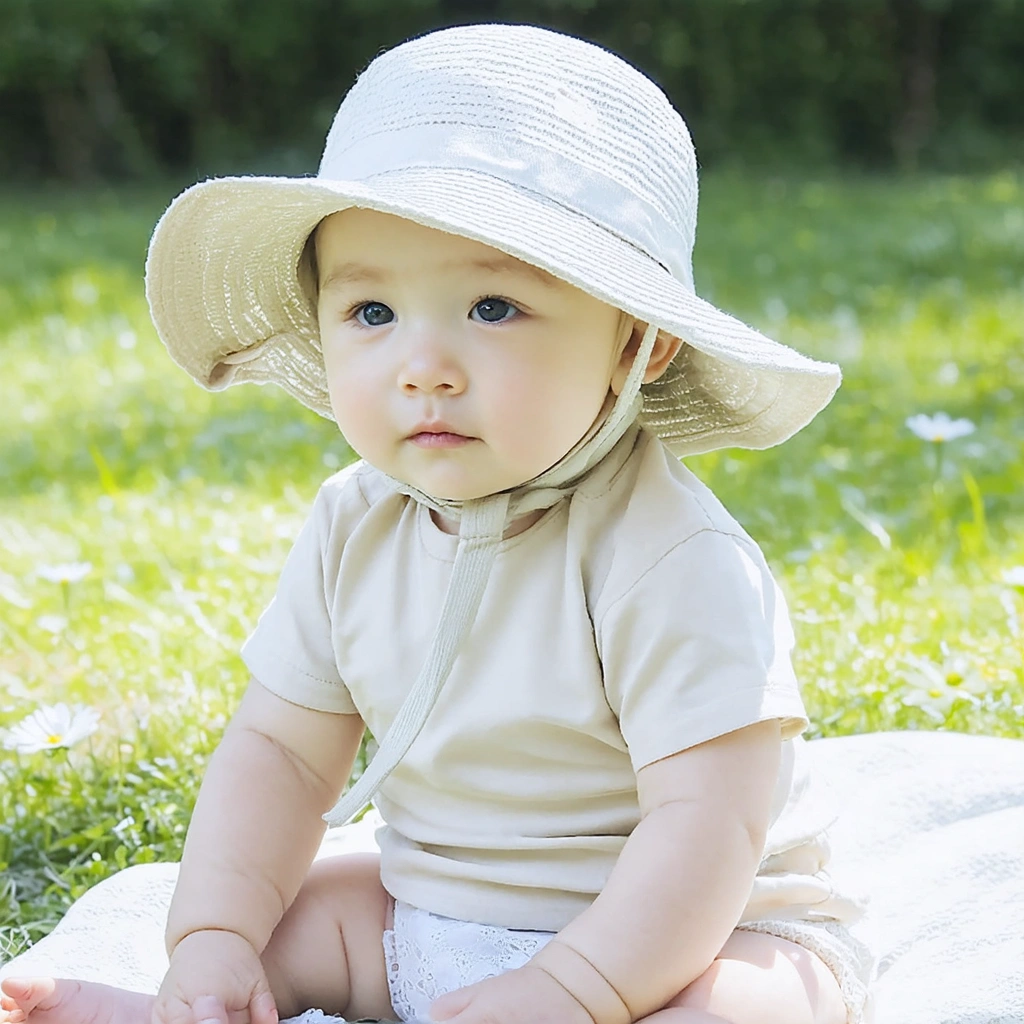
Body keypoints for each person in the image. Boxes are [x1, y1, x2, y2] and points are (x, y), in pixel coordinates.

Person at [0, 22, 875, 1024]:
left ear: (640, 343)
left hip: (693, 931)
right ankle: (192, 1010)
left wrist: (569, 989)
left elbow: (708, 824)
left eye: (493, 307)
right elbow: (280, 752)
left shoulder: (670, 555)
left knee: (755, 1002)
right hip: (435, 909)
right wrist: (213, 936)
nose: (423, 365)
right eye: (372, 313)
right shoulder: (351, 525)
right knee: (300, 916)